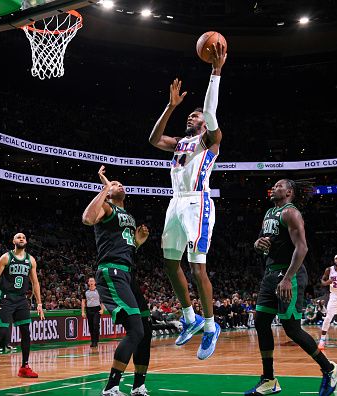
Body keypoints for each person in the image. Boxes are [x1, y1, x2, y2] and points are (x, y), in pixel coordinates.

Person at [148, 41, 226, 360]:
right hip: (175, 202)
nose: (191, 117)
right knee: (169, 263)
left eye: (195, 115)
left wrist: (215, 71)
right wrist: (171, 107)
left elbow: (210, 111)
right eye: (190, 115)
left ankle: (210, 326)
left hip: (197, 203)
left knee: (197, 269)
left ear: (205, 123)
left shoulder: (210, 141)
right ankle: (190, 318)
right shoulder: (180, 142)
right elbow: (153, 139)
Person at [246, 179, 337, 396]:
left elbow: (302, 247)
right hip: (271, 274)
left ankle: (330, 369)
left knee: (292, 328)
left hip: (290, 275)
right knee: (261, 322)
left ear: (289, 192)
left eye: (279, 185)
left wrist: (288, 278)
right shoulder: (270, 212)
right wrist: (257, 244)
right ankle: (269, 379)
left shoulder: (291, 213)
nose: (274, 187)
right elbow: (262, 242)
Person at [82, 166, 152, 396]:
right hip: (111, 272)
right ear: (107, 192)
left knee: (146, 328)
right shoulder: (106, 207)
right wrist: (104, 188)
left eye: (120, 183)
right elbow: (87, 218)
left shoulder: (128, 216)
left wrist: (138, 242)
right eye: (114, 184)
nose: (118, 184)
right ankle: (111, 387)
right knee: (135, 329)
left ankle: (139, 385)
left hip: (127, 273)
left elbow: (126, 248)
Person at [0, 233, 45, 382]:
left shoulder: (31, 260)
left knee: (26, 332)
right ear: (13, 241)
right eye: (18, 237)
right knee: (1, 331)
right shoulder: (6, 257)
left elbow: (35, 283)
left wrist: (39, 303)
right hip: (6, 298)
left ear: (26, 241)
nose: (21, 239)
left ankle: (24, 367)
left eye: (23, 237)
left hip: (22, 299)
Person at [81, 277, 105, 348]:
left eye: (92, 281)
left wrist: (102, 309)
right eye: (90, 281)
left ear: (95, 282)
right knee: (91, 326)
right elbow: (83, 302)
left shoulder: (99, 291)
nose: (91, 282)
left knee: (95, 324)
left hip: (97, 309)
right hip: (89, 309)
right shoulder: (85, 292)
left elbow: (102, 300)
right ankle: (92, 341)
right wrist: (83, 312)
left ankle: (96, 341)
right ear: (88, 283)